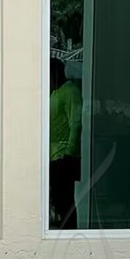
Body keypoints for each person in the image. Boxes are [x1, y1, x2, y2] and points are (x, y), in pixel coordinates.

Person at [49, 57, 82, 230]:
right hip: (52, 155)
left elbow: (76, 124)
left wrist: (70, 153)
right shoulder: (55, 92)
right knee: (57, 198)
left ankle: (69, 232)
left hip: (63, 155)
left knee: (65, 199)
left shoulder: (70, 92)